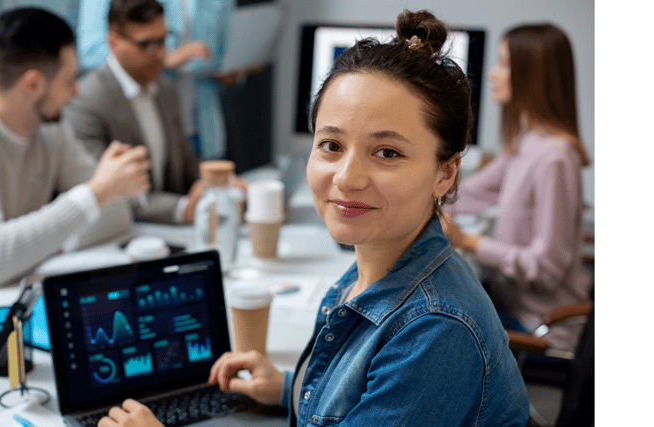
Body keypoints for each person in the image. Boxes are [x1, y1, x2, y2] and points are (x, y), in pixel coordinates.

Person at [97, 10, 529, 427]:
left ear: (445, 172)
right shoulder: (376, 265)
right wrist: (288, 389)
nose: (348, 178)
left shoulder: (435, 330)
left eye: (388, 153)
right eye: (331, 145)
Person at [0, 7, 150, 287]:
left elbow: (117, 215)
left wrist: (40, 244)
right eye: (69, 80)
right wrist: (96, 192)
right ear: (32, 83)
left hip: (12, 296)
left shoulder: (51, 129)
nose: (76, 91)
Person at [441, 23, 592, 352]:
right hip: (512, 306)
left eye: (504, 63)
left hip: (541, 325)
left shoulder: (555, 158)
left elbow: (546, 269)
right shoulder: (526, 144)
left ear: (533, 76)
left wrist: (468, 240)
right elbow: (465, 193)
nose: (493, 73)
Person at [66, 0, 226, 225]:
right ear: (113, 43)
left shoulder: (165, 91)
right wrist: (182, 209)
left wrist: (220, 186)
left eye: (162, 41)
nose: (160, 54)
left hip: (168, 234)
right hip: (121, 236)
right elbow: (107, 193)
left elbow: (187, 165)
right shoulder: (86, 102)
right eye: (146, 45)